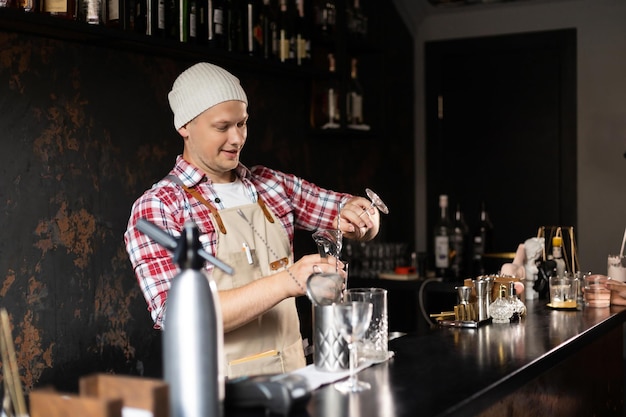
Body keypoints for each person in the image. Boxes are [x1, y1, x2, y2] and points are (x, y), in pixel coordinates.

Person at [124, 62, 381, 378]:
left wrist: (363, 217)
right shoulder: (160, 207)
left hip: (294, 379)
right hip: (217, 395)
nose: (236, 139)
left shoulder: (271, 185)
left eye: (242, 124)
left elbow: (346, 211)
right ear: (185, 127)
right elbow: (180, 316)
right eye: (222, 127)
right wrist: (289, 281)